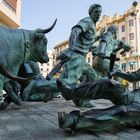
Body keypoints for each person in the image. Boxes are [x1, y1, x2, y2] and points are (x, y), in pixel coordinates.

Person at [57, 68, 140, 132]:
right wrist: (117, 72)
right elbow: (133, 77)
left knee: (123, 111)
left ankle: (74, 120)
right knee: (111, 84)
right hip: (134, 96)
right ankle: (71, 92)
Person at [58, 4, 103, 107]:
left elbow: (88, 43)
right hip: (76, 56)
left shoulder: (92, 26)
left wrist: (99, 37)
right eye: (96, 12)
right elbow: (75, 31)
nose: (98, 14)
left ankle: (82, 99)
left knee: (92, 76)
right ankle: (38, 86)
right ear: (91, 12)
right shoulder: (87, 21)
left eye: (100, 12)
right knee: (68, 83)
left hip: (82, 57)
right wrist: (70, 49)